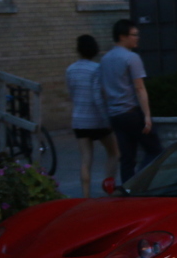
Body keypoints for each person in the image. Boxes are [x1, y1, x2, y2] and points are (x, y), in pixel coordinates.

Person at [100, 19, 163, 183]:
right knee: (155, 150)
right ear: (122, 36)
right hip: (131, 113)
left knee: (127, 158)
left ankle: (128, 192)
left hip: (116, 115)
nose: (137, 38)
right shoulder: (131, 58)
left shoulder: (105, 59)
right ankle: (138, 182)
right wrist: (147, 116)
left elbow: (103, 89)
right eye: (134, 35)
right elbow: (139, 88)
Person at [66, 34, 120, 197]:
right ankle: (109, 187)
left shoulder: (70, 70)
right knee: (114, 153)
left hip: (79, 120)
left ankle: (85, 195)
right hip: (97, 120)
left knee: (86, 159)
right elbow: (98, 96)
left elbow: (71, 93)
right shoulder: (97, 69)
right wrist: (106, 119)